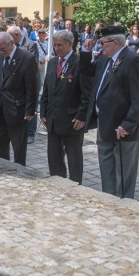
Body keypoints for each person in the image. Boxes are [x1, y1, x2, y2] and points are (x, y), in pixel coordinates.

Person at [83, 25, 139, 199]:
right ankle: (109, 201)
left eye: (103, 43)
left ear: (115, 43)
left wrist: (128, 124)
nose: (100, 47)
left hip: (122, 128)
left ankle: (124, 206)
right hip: (104, 125)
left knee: (123, 174)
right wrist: (85, 51)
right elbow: (87, 73)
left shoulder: (133, 60)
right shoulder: (105, 59)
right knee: (107, 171)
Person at [40, 30, 89, 184]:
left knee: (74, 157)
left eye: (60, 45)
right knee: (54, 156)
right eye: (54, 45)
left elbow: (87, 94)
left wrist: (81, 116)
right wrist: (43, 111)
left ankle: (76, 185)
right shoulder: (53, 62)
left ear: (70, 44)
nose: (56, 48)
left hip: (72, 120)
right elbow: (47, 89)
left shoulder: (79, 63)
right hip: (53, 119)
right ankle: (58, 182)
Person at [0, 32, 38, 166]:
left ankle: (19, 171)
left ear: (11, 44)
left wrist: (30, 111)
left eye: (3, 49)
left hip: (18, 110)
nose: (0, 52)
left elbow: (32, 87)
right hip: (0, 109)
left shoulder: (26, 58)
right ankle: (2, 168)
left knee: (18, 147)